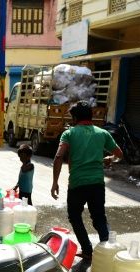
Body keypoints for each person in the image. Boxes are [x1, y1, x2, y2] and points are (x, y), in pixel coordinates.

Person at [51, 101, 124, 261]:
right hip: (97, 183)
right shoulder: (102, 133)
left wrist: (55, 182)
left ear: (76, 117)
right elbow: (119, 154)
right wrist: (108, 158)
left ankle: (87, 250)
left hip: (77, 183)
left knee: (74, 215)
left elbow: (58, 156)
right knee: (99, 217)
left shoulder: (69, 134)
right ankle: (108, 251)